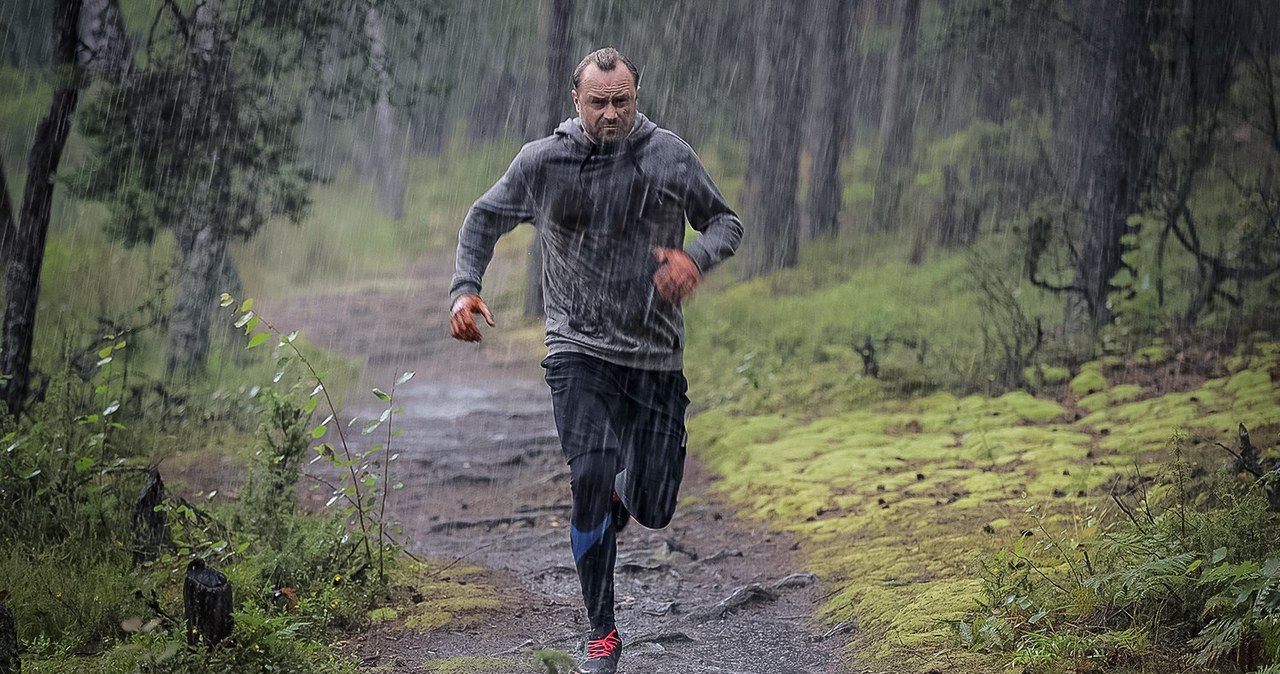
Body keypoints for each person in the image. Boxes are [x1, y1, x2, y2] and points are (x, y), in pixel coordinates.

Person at [449, 47, 742, 674]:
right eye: (599, 101)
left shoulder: (669, 154)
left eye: (623, 100)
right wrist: (464, 288)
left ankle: (615, 498)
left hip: (656, 357)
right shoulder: (544, 161)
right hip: (576, 349)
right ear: (575, 101)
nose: (612, 113)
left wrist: (698, 259)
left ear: (637, 96)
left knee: (655, 506)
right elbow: (482, 219)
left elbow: (724, 222)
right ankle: (603, 633)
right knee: (590, 472)